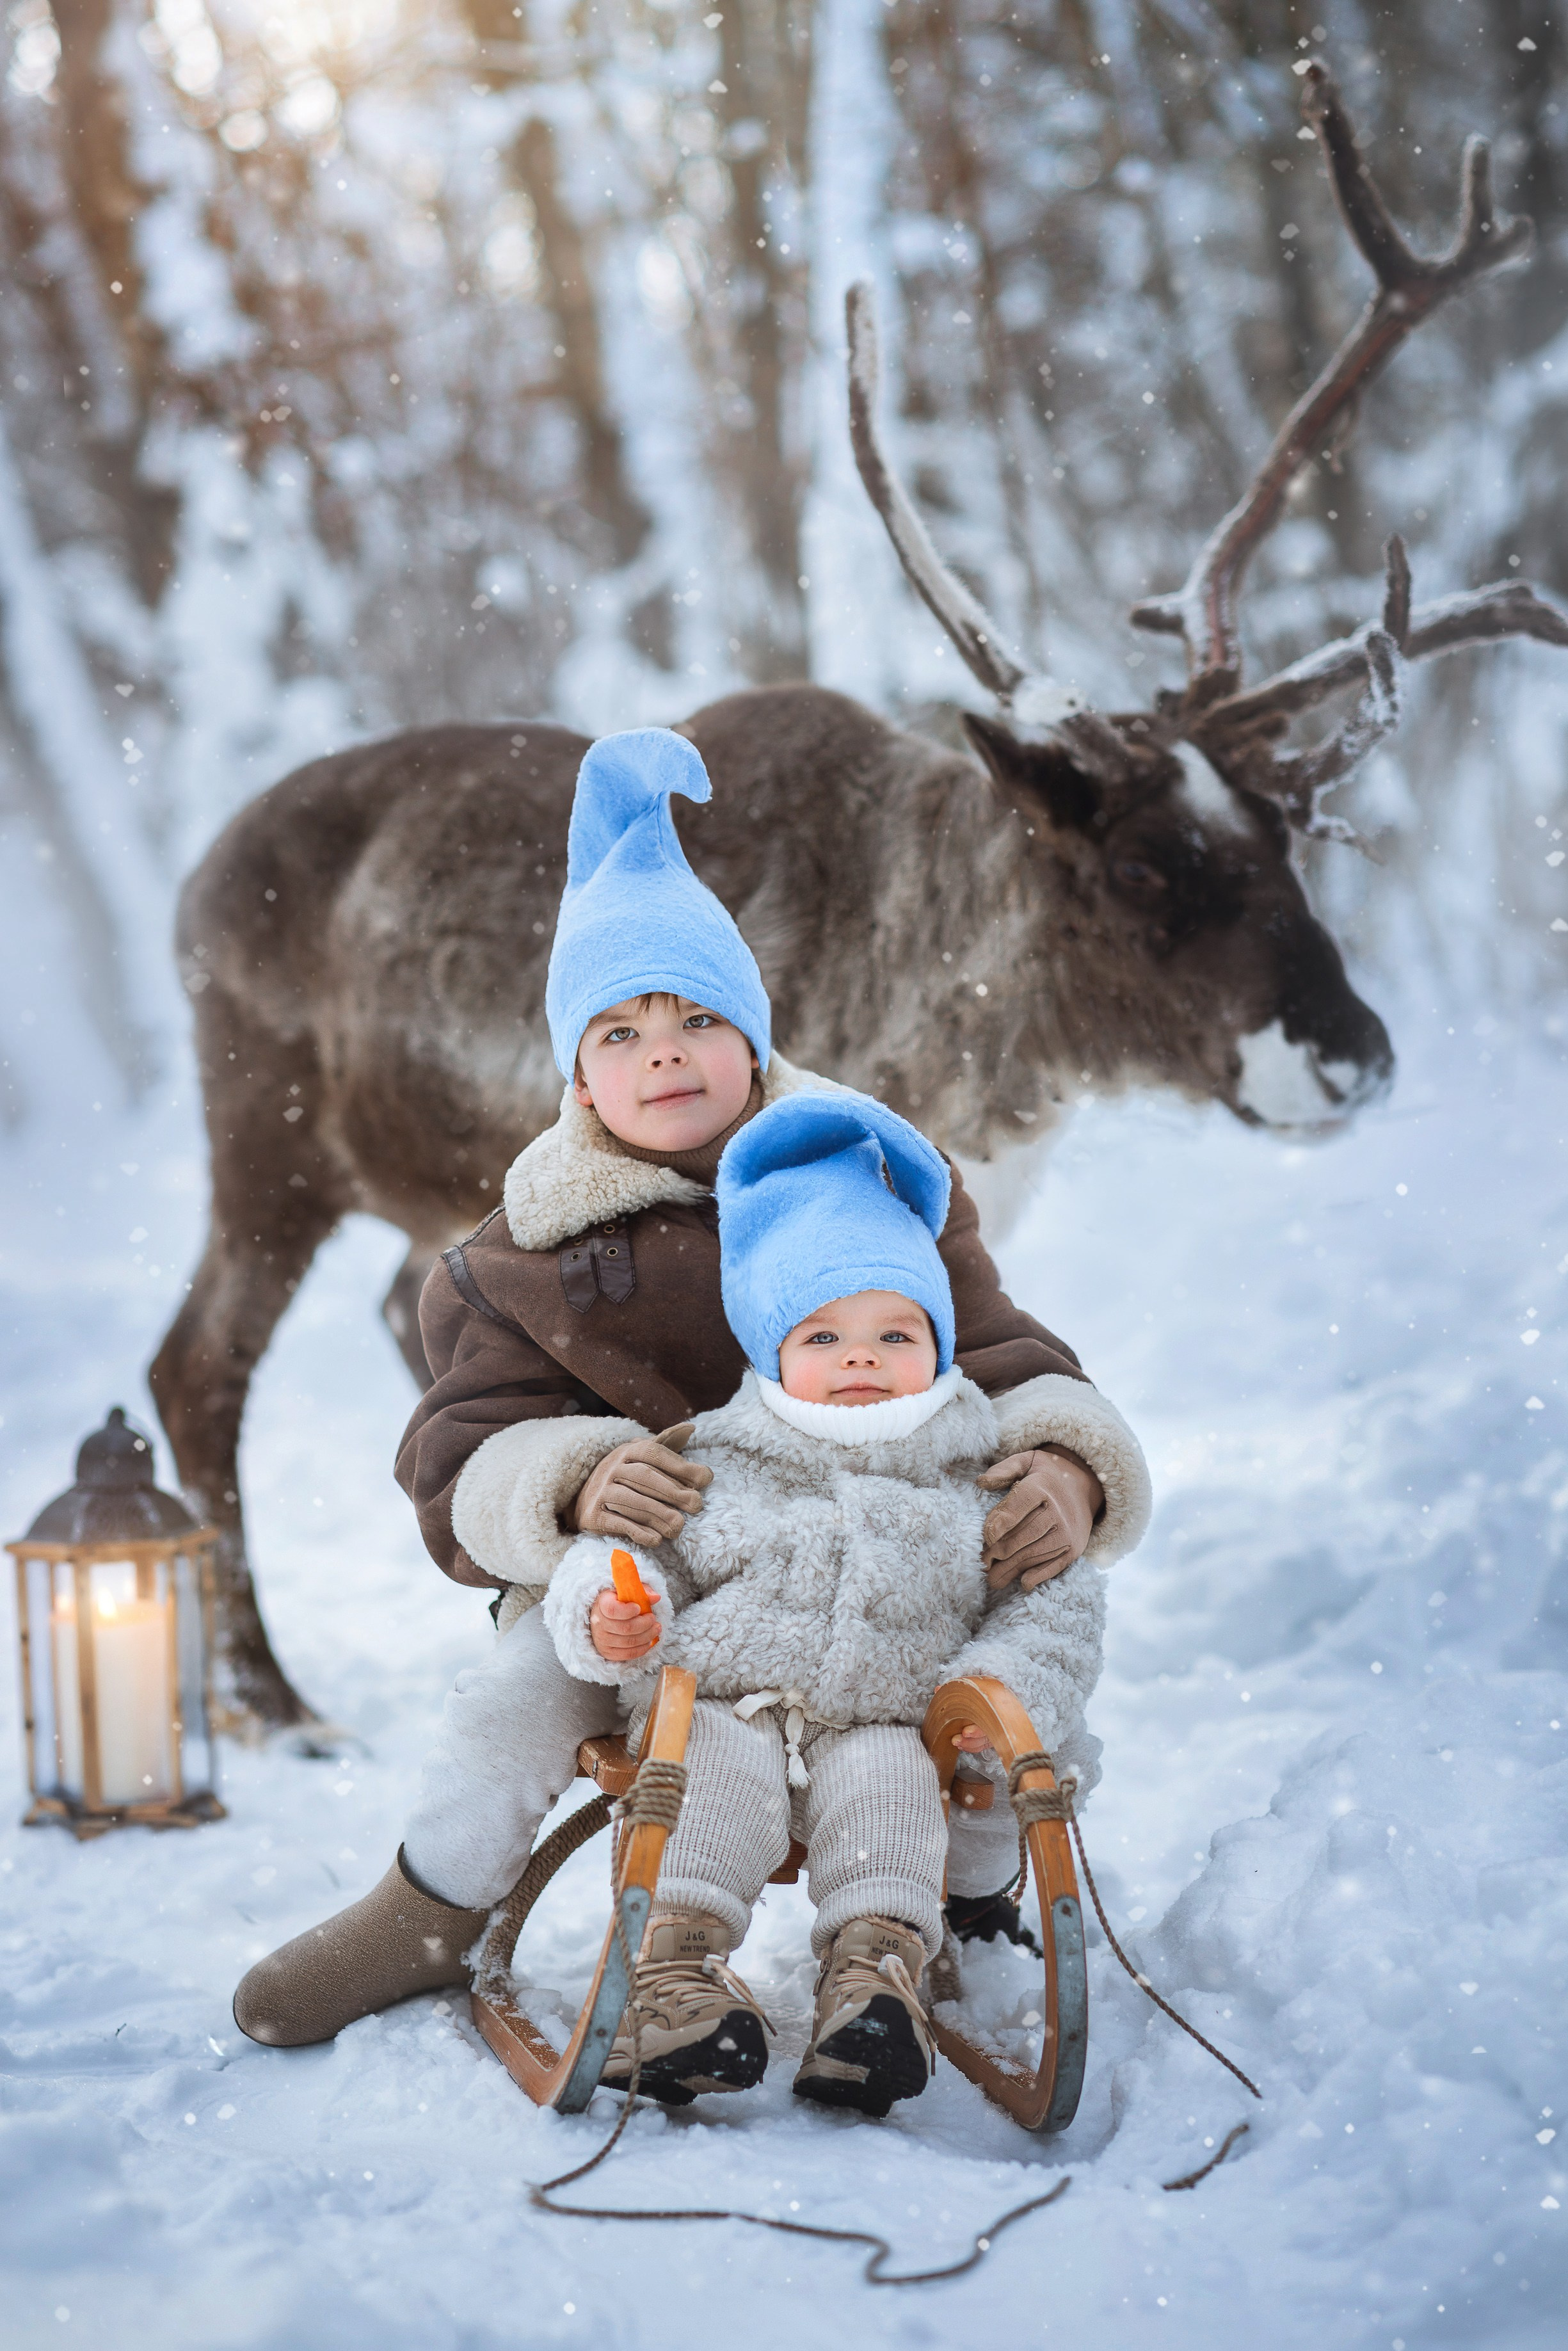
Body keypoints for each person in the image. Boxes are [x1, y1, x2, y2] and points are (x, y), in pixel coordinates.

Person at [232, 728, 1149, 2050]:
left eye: (699, 1018)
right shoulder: (528, 1249)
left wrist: (1067, 1460)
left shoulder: (871, 1177)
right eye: (622, 1029)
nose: (665, 1053)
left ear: (754, 1028)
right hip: (645, 1584)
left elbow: (1004, 1349)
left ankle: (974, 1901)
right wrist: (567, 1481)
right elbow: (458, 1449)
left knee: (1012, 1660)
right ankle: (432, 1900)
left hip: (868, 1555)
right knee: (515, 1691)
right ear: (576, 1072)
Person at [540, 1090, 1146, 2115]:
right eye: (822, 1336)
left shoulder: (980, 1473)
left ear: (940, 1345)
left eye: (892, 1332)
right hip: (729, 1703)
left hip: (893, 1715)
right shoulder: (718, 1464)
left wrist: (989, 1700)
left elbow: (1054, 1605)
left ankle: (875, 1980)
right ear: (771, 1354)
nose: (860, 1356)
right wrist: (610, 1612)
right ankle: (675, 1974)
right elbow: (626, 1561)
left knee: (889, 1791)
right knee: (706, 1775)